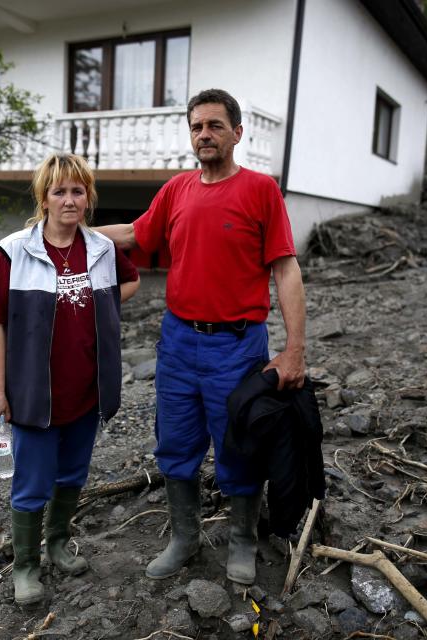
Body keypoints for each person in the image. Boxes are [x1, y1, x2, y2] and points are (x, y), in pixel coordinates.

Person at [96, 88, 306, 585]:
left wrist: (294, 349)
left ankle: (242, 540)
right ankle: (185, 539)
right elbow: (134, 234)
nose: (204, 134)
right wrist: (61, 231)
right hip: (178, 342)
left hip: (238, 345)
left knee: (239, 444)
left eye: (214, 125)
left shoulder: (260, 190)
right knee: (175, 443)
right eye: (196, 126)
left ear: (237, 132)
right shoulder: (176, 190)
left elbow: (286, 268)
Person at [0, 152, 140, 605]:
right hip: (34, 396)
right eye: (59, 191)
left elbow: (131, 281)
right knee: (31, 483)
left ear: (88, 196)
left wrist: (102, 304)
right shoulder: (14, 252)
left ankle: (60, 544)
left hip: (87, 391)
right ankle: (26, 568)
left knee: (72, 475)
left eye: (77, 190)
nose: (70, 199)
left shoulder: (102, 249)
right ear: (43, 198)